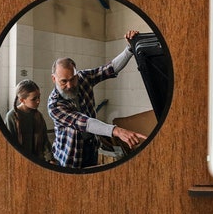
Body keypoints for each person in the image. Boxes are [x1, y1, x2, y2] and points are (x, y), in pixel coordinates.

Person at [48, 30, 147, 169]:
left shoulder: (83, 78)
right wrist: (117, 131)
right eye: (63, 81)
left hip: (90, 148)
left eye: (73, 79)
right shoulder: (54, 104)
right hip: (69, 156)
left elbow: (110, 68)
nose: (70, 85)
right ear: (54, 79)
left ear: (77, 73)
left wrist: (130, 49)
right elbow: (84, 122)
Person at [4, 79, 51, 163]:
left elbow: (45, 141)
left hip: (38, 161)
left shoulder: (38, 115)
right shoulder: (11, 117)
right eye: (34, 99)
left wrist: (50, 159)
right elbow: (9, 145)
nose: (38, 101)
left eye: (39, 97)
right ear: (22, 100)